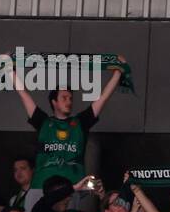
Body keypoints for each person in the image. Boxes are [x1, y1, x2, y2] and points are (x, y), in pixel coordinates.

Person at [11, 55, 125, 188]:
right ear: (54, 102)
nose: (69, 101)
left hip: (72, 189)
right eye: (64, 98)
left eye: (71, 98)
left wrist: (118, 72)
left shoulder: (81, 122)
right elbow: (23, 94)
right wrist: (10, 71)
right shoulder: (43, 122)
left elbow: (103, 98)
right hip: (42, 188)